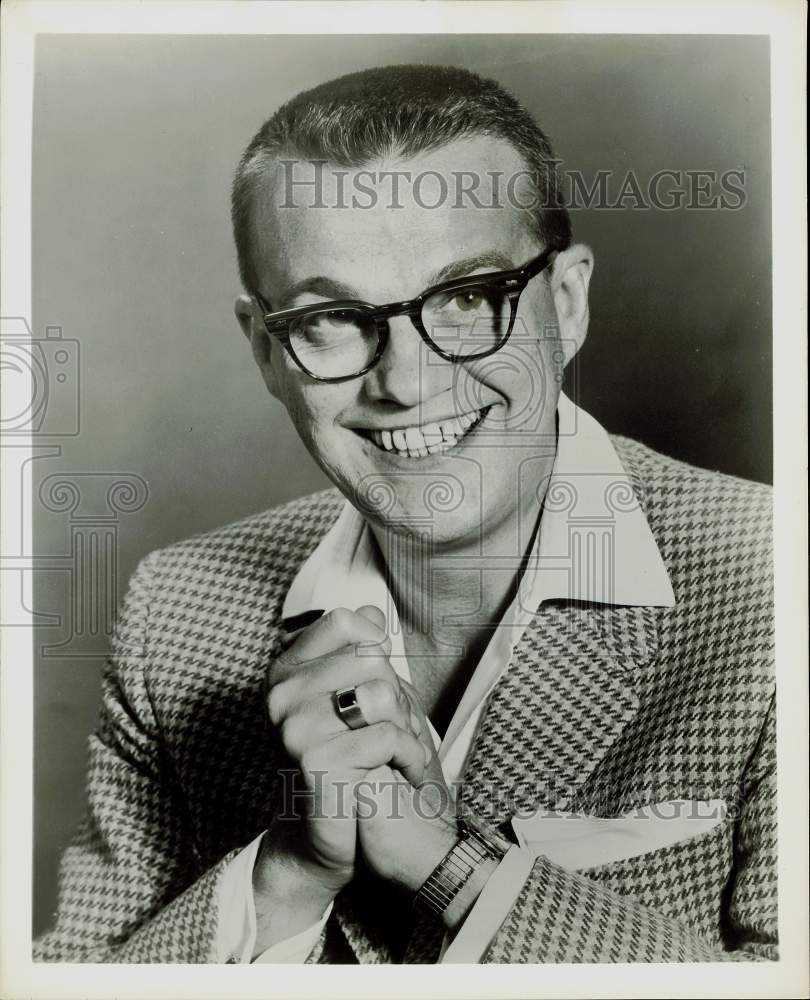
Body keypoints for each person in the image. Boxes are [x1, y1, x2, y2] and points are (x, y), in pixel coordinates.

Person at [35, 64, 776, 965]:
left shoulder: (775, 580)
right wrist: (285, 877)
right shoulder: (175, 613)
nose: (406, 381)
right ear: (266, 354)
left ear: (568, 302)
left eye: (467, 299)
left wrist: (451, 866)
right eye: (331, 319)